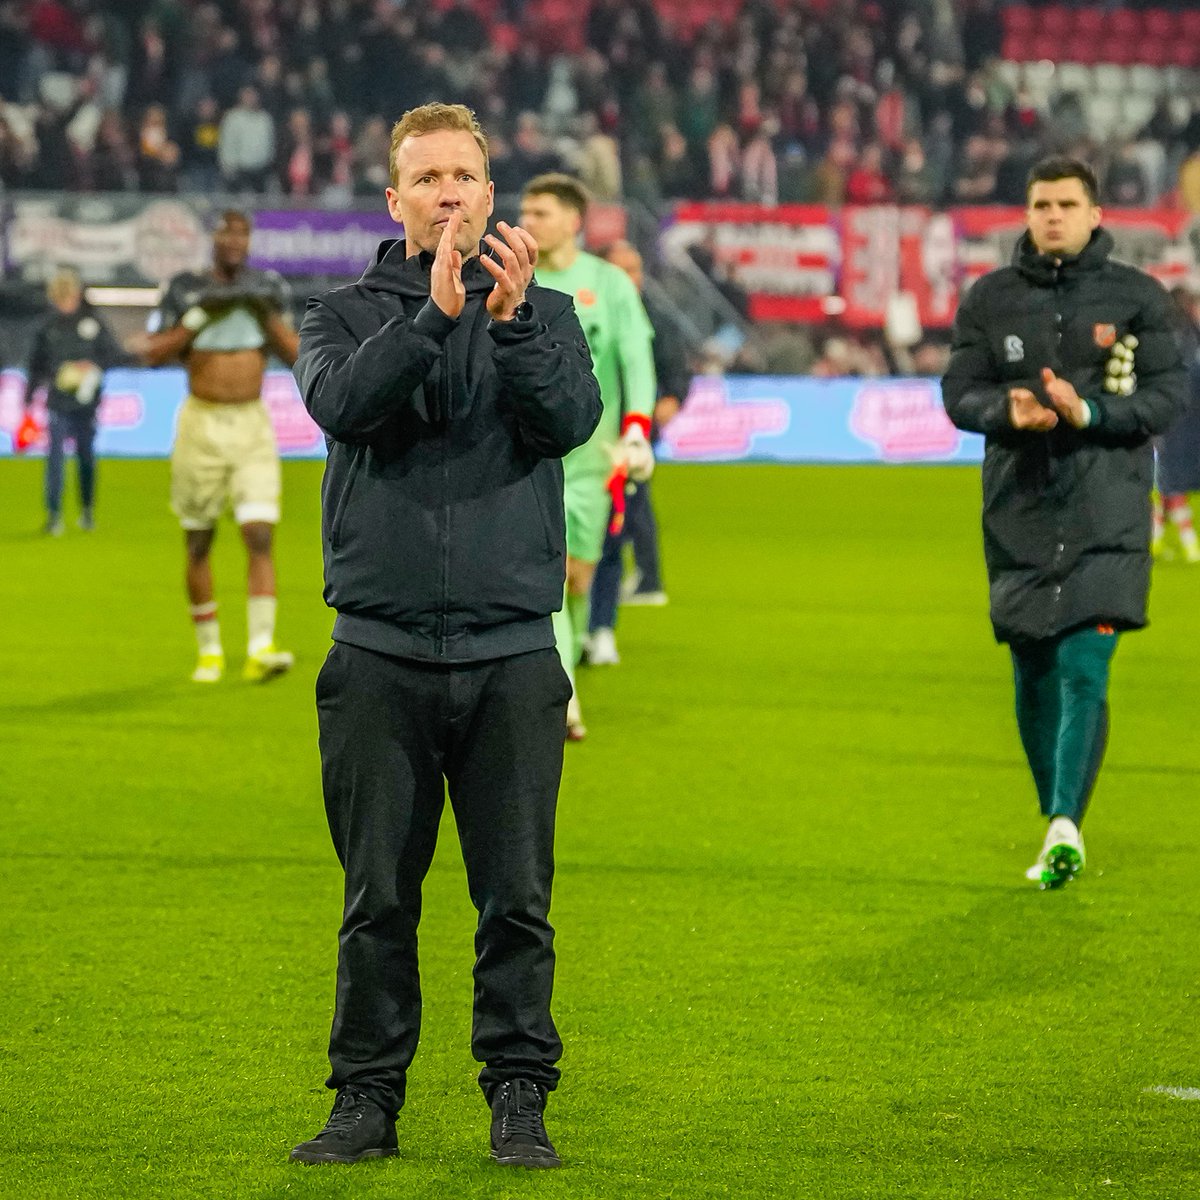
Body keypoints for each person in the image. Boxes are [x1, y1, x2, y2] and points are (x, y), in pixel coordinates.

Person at [289, 103, 601, 1169]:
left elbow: (570, 422)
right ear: (395, 200)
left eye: (466, 176)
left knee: (517, 899)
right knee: (377, 897)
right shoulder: (339, 314)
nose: (451, 194)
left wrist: (508, 328)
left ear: (491, 191)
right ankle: (365, 1101)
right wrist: (430, 317)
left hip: (510, 651)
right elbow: (344, 404)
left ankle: (519, 1096)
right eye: (428, 179)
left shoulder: (545, 312)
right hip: (377, 653)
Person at [942, 156, 1186, 889]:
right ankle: (1056, 811)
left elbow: (1169, 396)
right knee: (1034, 673)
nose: (1053, 215)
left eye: (1067, 204)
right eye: (1041, 203)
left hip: (1106, 505)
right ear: (1026, 212)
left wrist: (1093, 413)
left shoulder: (1139, 298)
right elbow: (959, 391)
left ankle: (1063, 824)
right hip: (1020, 505)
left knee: (1085, 664)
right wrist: (1003, 411)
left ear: (1095, 214)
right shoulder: (990, 299)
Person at [130, 210, 299, 685]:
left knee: (260, 533)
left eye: (243, 231)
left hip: (251, 421)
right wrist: (203, 315)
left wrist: (262, 314)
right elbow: (153, 351)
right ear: (212, 237)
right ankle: (209, 652)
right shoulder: (185, 288)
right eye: (226, 230)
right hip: (200, 423)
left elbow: (295, 354)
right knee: (199, 539)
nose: (235, 239)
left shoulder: (268, 288)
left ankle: (261, 647)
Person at [518, 175, 656, 738]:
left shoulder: (607, 283)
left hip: (593, 456)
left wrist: (638, 431)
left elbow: (635, 359)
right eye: (525, 211)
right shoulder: (507, 279)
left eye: (542, 212)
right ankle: (563, 696)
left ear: (574, 221)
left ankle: (561, 672)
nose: (529, 220)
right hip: (526, 452)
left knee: (577, 578)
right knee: (544, 574)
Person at [586, 240, 690, 666]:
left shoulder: (655, 317)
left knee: (626, 507)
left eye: (636, 269)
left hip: (633, 430)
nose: (632, 278)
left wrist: (666, 404)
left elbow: (675, 369)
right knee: (617, 508)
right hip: (589, 430)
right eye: (623, 269)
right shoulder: (588, 308)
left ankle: (634, 591)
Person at [24, 267, 125, 535]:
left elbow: (112, 354)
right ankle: (54, 515)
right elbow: (36, 363)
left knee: (86, 457)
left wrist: (90, 366)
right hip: (58, 402)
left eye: (68, 296)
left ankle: (87, 512)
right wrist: (31, 393)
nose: (64, 302)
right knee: (55, 459)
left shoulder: (93, 323)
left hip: (87, 402)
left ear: (77, 295)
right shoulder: (48, 326)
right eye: (59, 297)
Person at [1151, 286, 1200, 563]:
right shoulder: (1185, 338)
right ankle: (1190, 544)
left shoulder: (1169, 335)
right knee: (1173, 483)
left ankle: (1156, 540)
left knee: (1169, 485)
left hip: (1174, 419)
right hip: (1181, 419)